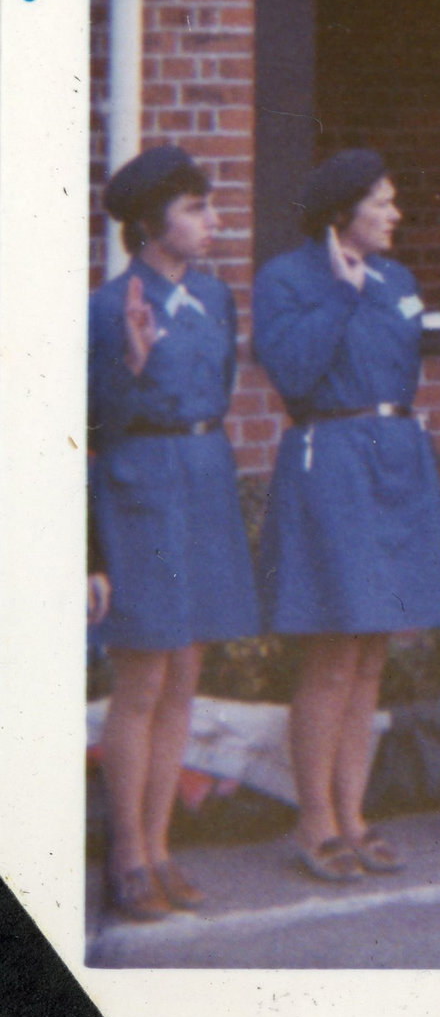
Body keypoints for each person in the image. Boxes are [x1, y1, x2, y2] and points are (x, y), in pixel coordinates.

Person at [253, 150, 440, 882]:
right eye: (383, 202)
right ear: (344, 211)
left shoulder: (398, 280)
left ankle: (354, 813)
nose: (396, 214)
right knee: (334, 649)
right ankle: (315, 821)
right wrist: (340, 296)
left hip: (395, 459)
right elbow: (293, 372)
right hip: (332, 459)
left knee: (372, 649)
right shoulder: (286, 278)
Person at [87, 147, 260, 921]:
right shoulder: (108, 306)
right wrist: (130, 363)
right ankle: (126, 854)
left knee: (186, 675)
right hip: (142, 492)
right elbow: (89, 427)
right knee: (143, 680)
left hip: (204, 482)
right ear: (151, 223)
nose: (211, 220)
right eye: (194, 209)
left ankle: (160, 846)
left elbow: (216, 393)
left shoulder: (215, 298)